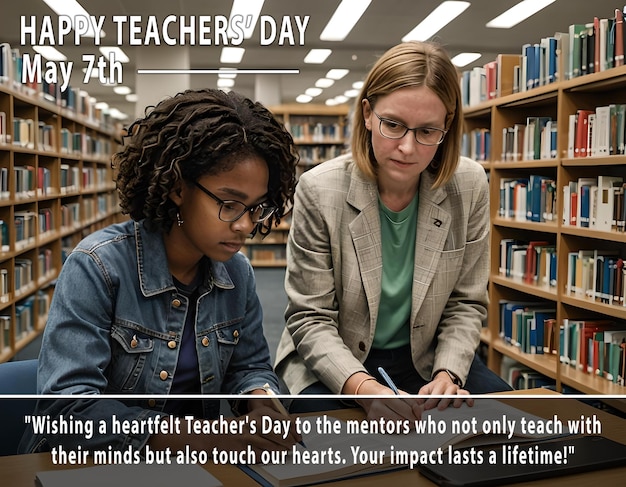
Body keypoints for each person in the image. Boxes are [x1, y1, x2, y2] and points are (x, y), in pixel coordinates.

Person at [20, 88, 301, 455]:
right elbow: (66, 411)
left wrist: (260, 399)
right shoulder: (98, 267)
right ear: (177, 187)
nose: (245, 225)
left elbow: (249, 366)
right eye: (230, 204)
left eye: (256, 208)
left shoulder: (237, 273)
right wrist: (204, 439)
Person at [275, 41, 511, 418]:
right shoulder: (320, 190)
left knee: (502, 421)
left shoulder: (469, 185)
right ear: (367, 113)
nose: (407, 147)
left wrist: (448, 372)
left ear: (447, 127)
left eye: (427, 131)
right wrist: (364, 388)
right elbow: (310, 317)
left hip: (427, 357)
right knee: (337, 442)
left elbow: (466, 303)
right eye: (393, 125)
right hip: (336, 356)